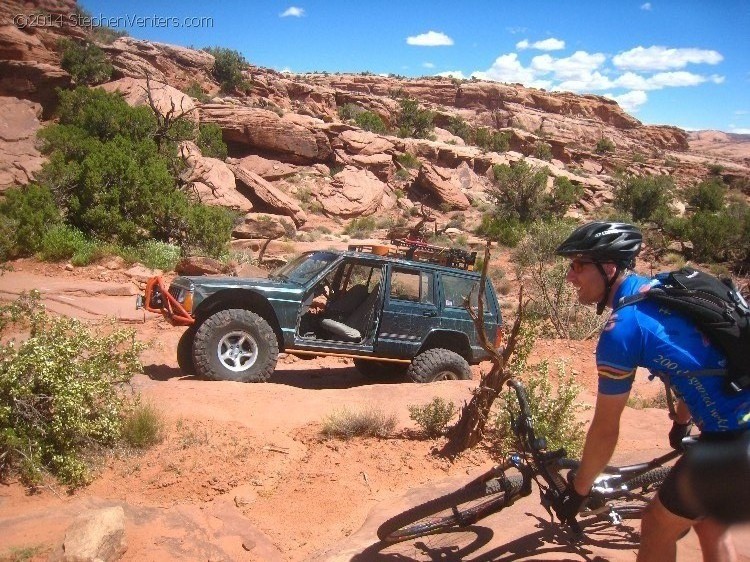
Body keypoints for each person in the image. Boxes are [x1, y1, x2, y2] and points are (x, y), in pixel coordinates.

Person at [551, 221, 749, 562]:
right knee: (707, 522)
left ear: (608, 267)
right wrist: (682, 423)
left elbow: (605, 428)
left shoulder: (623, 329)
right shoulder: (661, 289)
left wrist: (579, 489)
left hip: (736, 440)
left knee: (657, 523)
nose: (571, 276)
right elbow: (697, 358)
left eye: (578, 265)